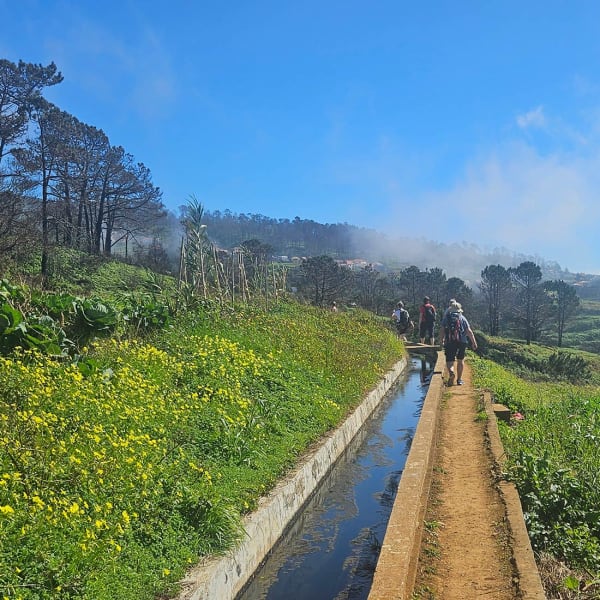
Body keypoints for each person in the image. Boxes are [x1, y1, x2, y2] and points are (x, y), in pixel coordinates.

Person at [441, 300, 478, 386]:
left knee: (450, 360)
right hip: (462, 341)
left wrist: (441, 340)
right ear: (459, 310)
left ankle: (451, 372)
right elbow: (469, 331)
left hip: (450, 341)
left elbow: (442, 329)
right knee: (460, 360)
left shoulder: (447, 318)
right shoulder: (462, 318)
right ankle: (459, 380)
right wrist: (474, 342)